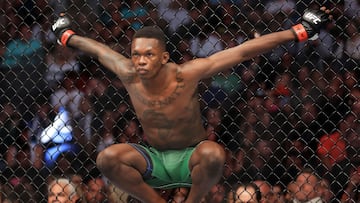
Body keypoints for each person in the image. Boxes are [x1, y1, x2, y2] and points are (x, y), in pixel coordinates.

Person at [50, 6, 331, 203]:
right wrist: (66, 36)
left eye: (149, 55)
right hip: (155, 159)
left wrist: (298, 31)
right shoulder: (128, 72)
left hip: (190, 159)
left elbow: (243, 50)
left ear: (164, 57)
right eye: (136, 54)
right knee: (107, 158)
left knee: (212, 152)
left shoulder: (186, 74)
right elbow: (99, 50)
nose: (140, 61)